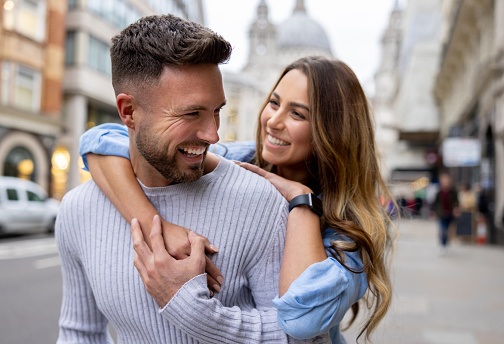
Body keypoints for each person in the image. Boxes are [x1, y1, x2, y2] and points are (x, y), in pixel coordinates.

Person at [80, 56, 396, 343]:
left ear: (333, 131)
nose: (274, 120)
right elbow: (101, 140)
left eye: (297, 113)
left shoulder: (357, 230)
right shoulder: (239, 159)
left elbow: (302, 321)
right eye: (274, 103)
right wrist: (156, 226)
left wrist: (302, 202)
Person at [56, 14, 316, 343]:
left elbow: (305, 337)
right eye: (191, 113)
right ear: (128, 112)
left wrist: (188, 306)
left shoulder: (260, 201)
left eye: (217, 110)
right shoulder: (78, 210)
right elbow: (80, 334)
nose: (213, 134)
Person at [432, 173, 459, 254]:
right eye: (444, 180)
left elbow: (456, 202)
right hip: (441, 214)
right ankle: (442, 244)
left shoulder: (452, 192)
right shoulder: (439, 192)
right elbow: (435, 203)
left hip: (450, 214)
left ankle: (446, 242)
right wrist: (434, 211)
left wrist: (456, 208)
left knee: (448, 230)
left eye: (446, 180)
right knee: (442, 229)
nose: (445, 182)